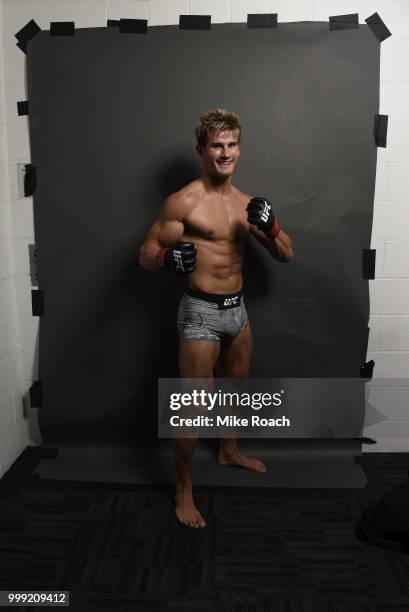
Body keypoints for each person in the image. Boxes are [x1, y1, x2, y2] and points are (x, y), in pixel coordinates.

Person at [139, 109, 294, 528]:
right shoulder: (184, 202)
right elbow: (145, 253)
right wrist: (167, 257)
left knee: (234, 389)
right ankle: (183, 488)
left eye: (231, 145)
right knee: (192, 407)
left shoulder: (246, 204)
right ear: (201, 151)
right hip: (200, 313)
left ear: (238, 148)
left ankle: (228, 449)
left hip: (238, 311)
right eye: (216, 146)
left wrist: (275, 226)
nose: (225, 153)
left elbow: (286, 255)